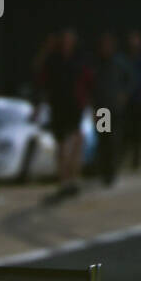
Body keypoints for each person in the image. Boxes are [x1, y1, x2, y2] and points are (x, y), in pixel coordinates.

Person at [37, 28, 90, 199]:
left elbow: (87, 80)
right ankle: (64, 180)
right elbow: (41, 77)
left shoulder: (78, 60)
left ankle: (73, 178)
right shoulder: (52, 60)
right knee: (61, 145)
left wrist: (88, 102)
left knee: (76, 139)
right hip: (58, 105)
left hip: (75, 105)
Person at [91, 32, 134, 187]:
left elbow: (130, 80)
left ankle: (111, 171)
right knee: (104, 139)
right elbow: (94, 87)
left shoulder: (119, 63)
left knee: (114, 140)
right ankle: (104, 171)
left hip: (115, 108)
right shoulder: (97, 64)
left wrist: (124, 95)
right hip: (103, 109)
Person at [122, 31, 141, 170]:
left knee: (137, 131)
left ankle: (135, 158)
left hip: (138, 100)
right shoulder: (123, 60)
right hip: (119, 103)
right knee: (117, 130)